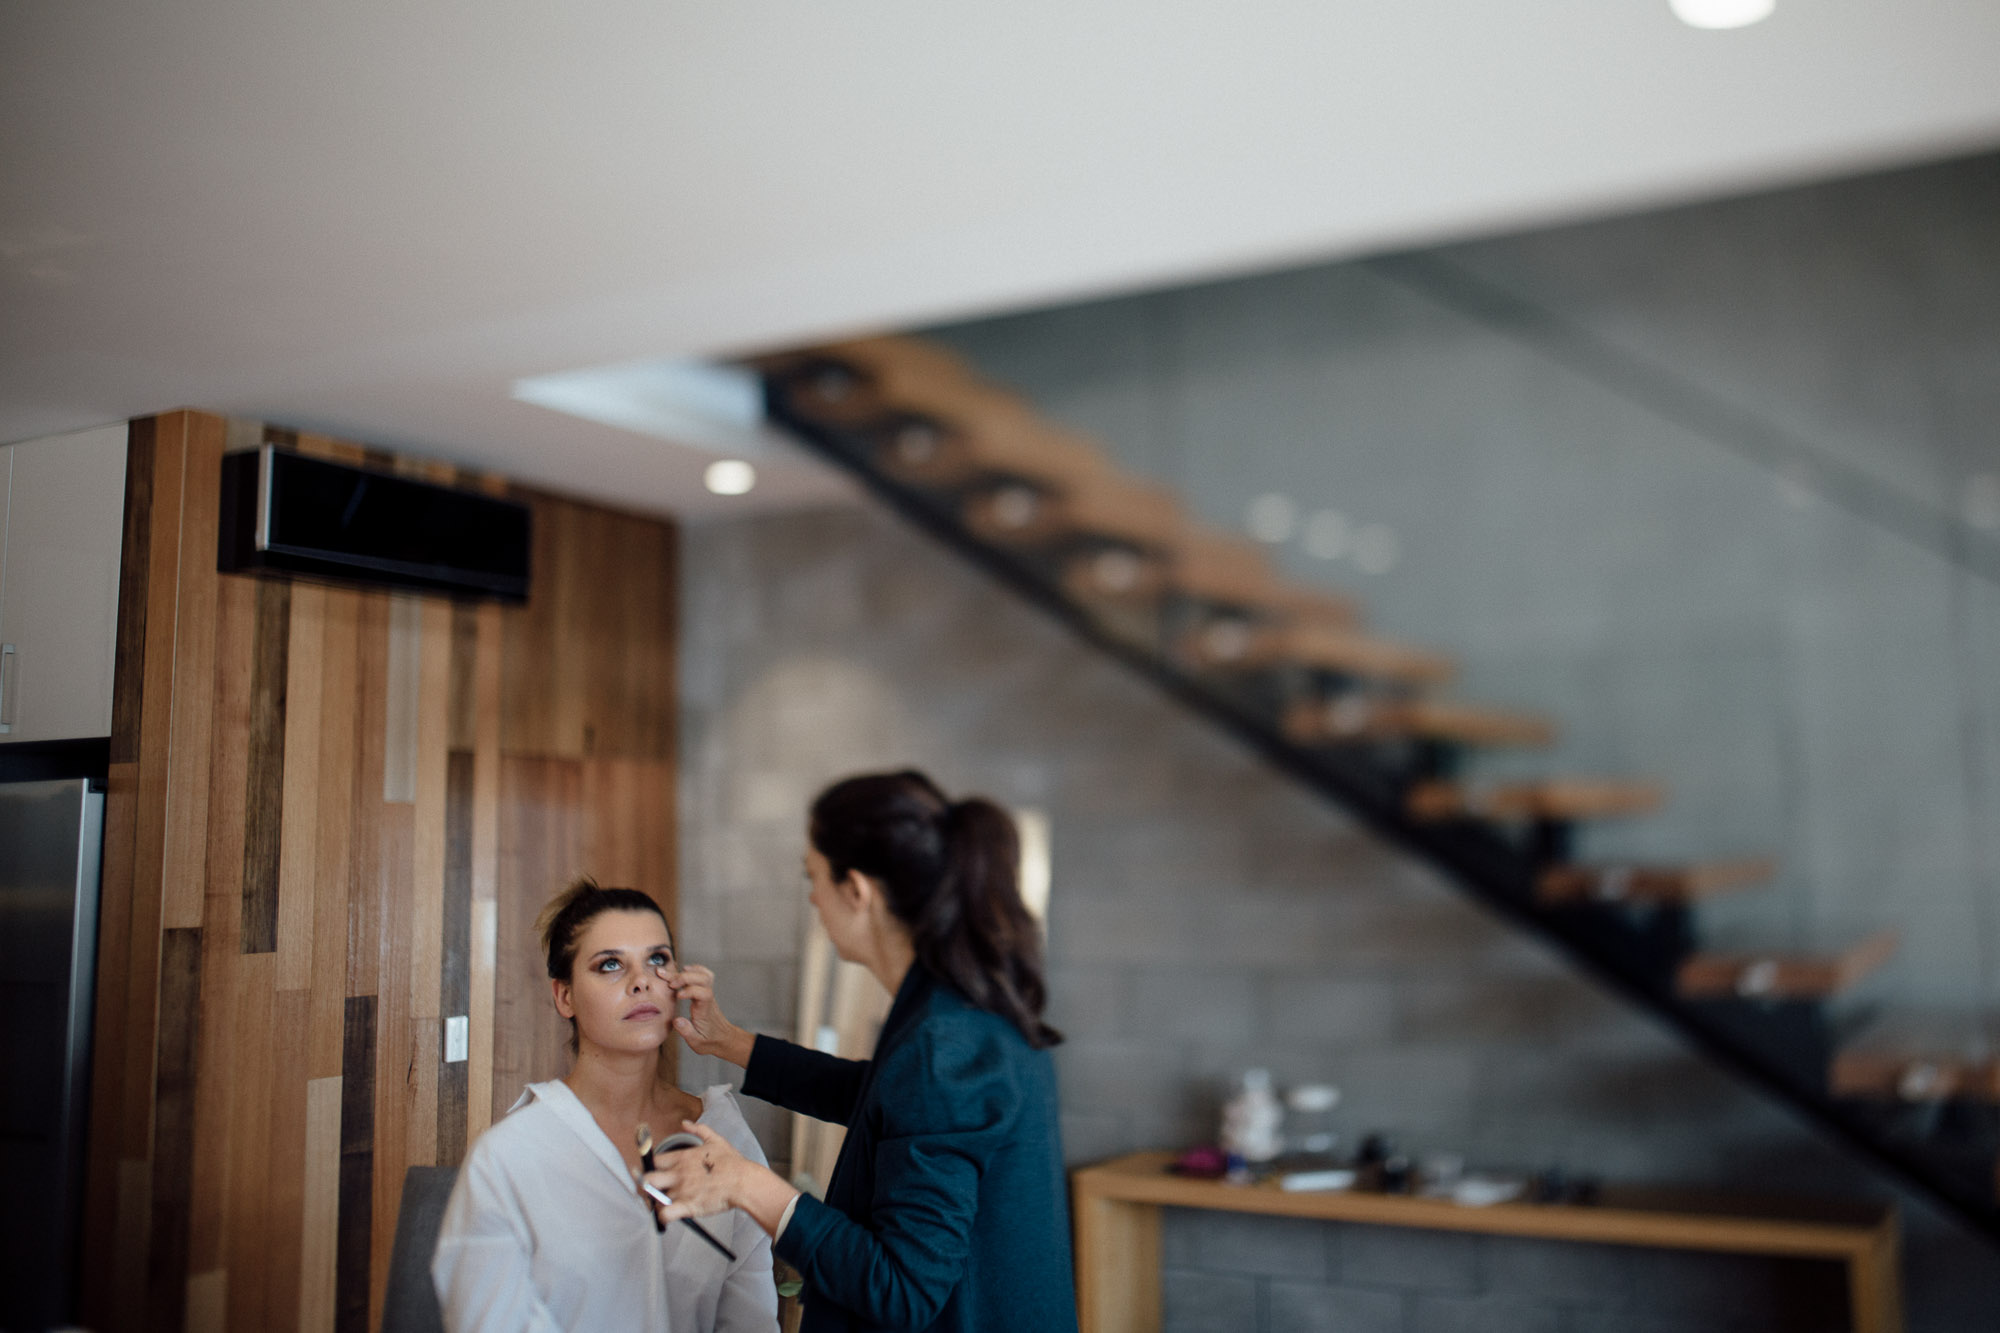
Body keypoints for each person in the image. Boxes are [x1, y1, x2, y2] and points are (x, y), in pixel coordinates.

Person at [648, 770, 1077, 1333]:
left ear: (857, 891)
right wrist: (730, 1041)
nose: (812, 898)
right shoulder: (959, 1007)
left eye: (814, 878)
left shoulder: (944, 1042)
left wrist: (749, 1186)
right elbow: (885, 1100)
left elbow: (903, 1290)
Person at [432, 879, 779, 1333]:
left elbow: (751, 1318)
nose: (642, 981)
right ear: (565, 996)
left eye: (658, 959)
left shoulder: (723, 1137)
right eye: (610, 964)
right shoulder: (509, 1158)